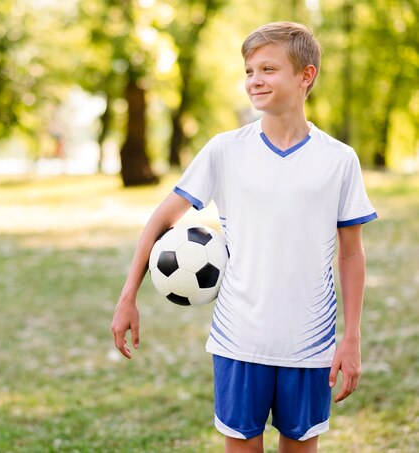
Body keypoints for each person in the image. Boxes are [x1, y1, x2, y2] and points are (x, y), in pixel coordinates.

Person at [110, 22, 377, 453]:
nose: (255, 80)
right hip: (239, 337)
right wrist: (128, 295)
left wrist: (352, 337)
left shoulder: (339, 160)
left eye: (268, 69)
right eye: (249, 71)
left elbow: (351, 255)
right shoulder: (224, 150)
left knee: (300, 446)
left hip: (309, 344)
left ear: (305, 76)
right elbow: (161, 220)